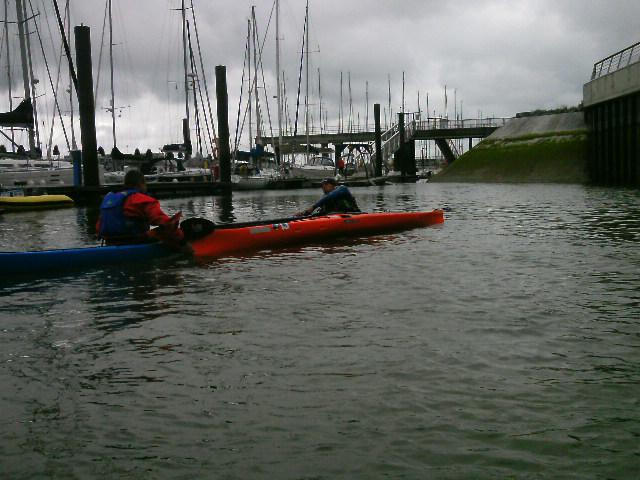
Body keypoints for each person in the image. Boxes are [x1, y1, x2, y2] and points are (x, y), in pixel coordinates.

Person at [96, 169, 185, 247]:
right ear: (141, 184)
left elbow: (99, 226)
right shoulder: (142, 199)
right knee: (168, 230)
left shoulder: (110, 199)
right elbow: (164, 222)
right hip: (134, 242)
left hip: (110, 242)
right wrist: (182, 240)